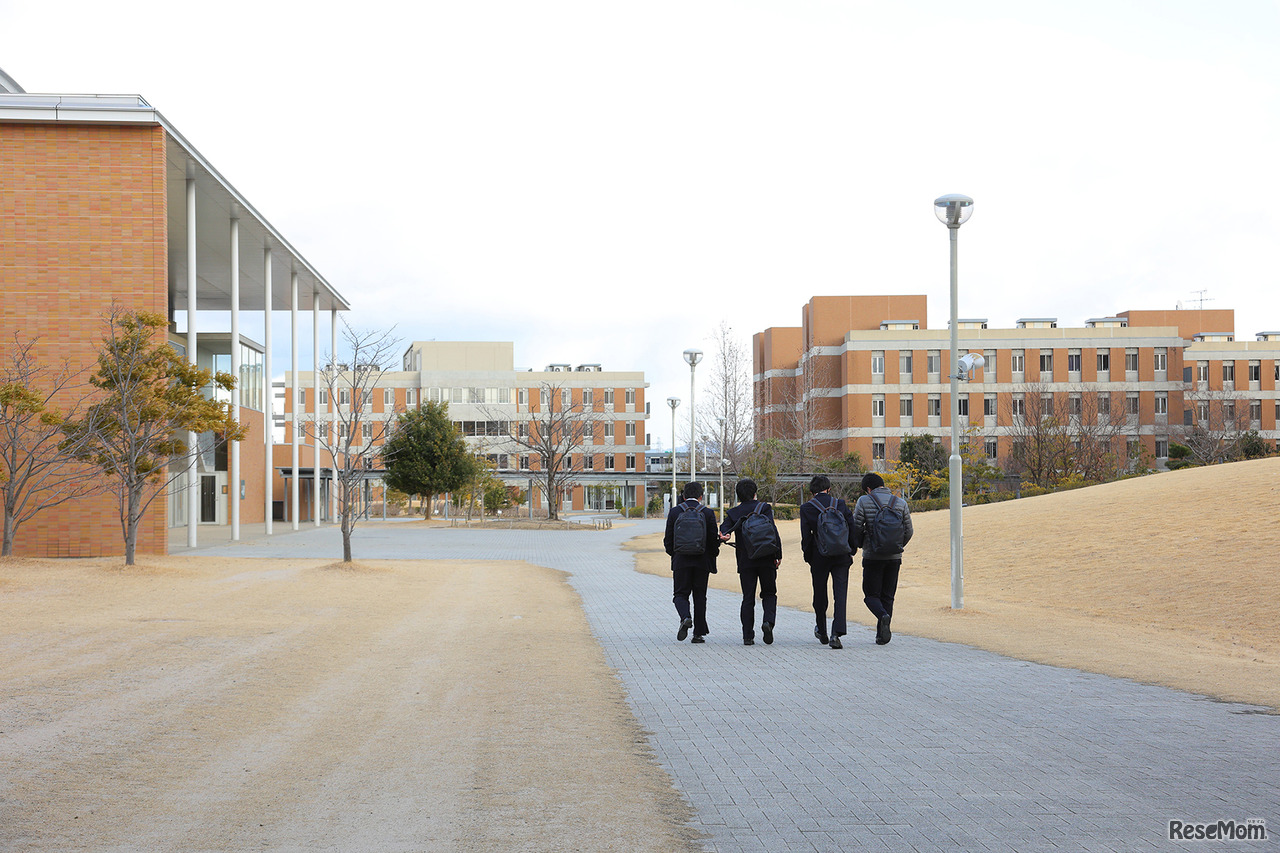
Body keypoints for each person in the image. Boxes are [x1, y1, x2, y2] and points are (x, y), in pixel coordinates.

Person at [851, 472, 914, 645]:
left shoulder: (864, 501)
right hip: (894, 557)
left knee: (870, 595)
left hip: (873, 556)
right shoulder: (900, 503)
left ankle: (882, 616)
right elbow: (909, 531)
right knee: (888, 596)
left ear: (868, 489)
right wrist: (897, 546)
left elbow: (856, 526)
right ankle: (881, 635)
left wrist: (859, 544)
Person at [718, 479, 782, 646]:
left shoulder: (734, 512)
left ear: (738, 495)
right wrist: (778, 554)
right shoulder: (764, 508)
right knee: (769, 593)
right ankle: (768, 622)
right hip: (767, 557)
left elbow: (724, 529)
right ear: (755, 493)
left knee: (748, 598)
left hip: (746, 560)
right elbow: (773, 530)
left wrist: (725, 534)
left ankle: (748, 636)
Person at [799, 474, 856, 649]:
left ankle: (821, 629)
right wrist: (852, 549)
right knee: (840, 594)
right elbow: (851, 527)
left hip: (819, 556)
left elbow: (806, 537)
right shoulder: (840, 504)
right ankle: (836, 633)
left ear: (811, 491)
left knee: (820, 593)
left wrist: (808, 557)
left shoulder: (807, 508)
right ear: (829, 489)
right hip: (841, 555)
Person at [663, 481, 720, 643]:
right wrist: (712, 555)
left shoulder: (675, 512)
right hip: (702, 561)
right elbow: (712, 541)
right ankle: (698, 633)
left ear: (683, 495)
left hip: (681, 559)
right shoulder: (708, 513)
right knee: (700, 596)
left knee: (680, 594)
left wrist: (674, 555)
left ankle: (685, 617)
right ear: (701, 496)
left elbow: (668, 539)